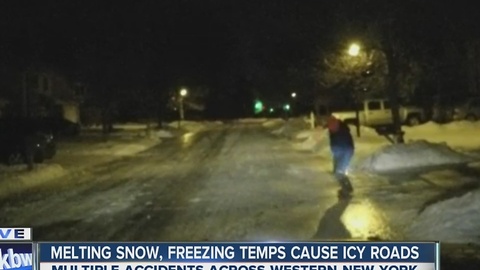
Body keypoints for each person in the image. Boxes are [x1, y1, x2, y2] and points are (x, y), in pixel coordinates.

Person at [326, 115, 354, 195]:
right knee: (336, 172)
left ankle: (346, 190)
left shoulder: (341, 130)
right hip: (339, 152)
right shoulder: (335, 129)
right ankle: (348, 187)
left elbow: (346, 144)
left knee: (339, 172)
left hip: (346, 151)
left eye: (330, 125)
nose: (329, 127)